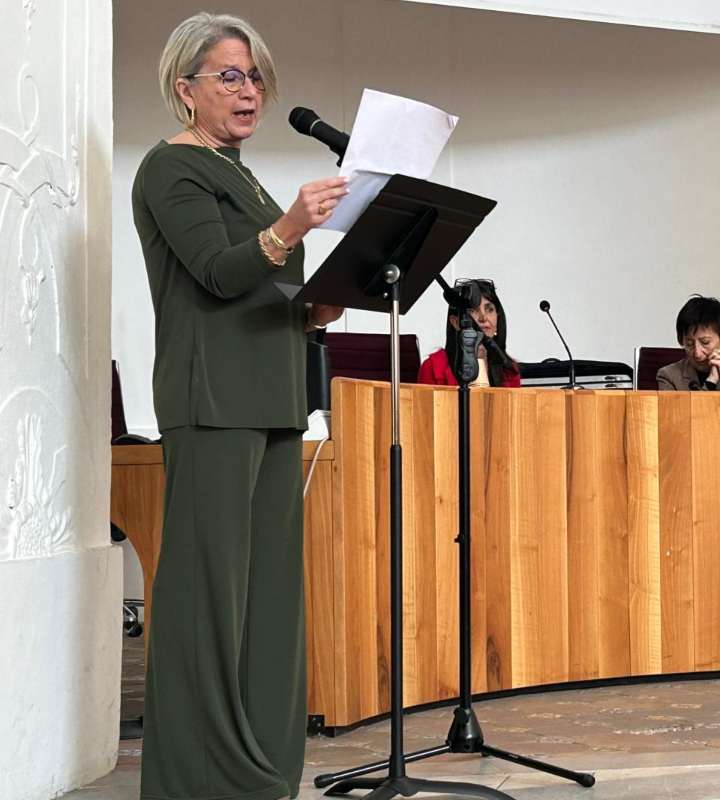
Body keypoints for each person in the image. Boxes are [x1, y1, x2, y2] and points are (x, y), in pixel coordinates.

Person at [132, 13, 348, 800]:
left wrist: (315, 307)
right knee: (207, 601)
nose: (249, 89)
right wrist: (291, 226)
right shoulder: (170, 169)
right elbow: (219, 275)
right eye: (230, 75)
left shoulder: (243, 175)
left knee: (267, 603)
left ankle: (258, 771)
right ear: (185, 89)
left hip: (274, 399)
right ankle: (197, 781)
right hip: (212, 400)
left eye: (254, 75)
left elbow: (266, 288)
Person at [418, 278, 521, 387]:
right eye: (473, 310)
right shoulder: (433, 367)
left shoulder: (509, 370)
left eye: (489, 309)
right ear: (455, 322)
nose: (483, 317)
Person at [656, 295, 720, 391]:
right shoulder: (669, 376)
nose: (697, 353)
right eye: (689, 344)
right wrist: (710, 382)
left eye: (705, 342)